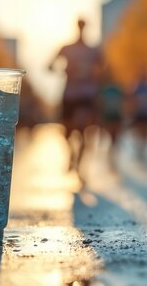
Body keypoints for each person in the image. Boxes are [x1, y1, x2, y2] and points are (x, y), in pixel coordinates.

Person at [48, 18, 102, 183]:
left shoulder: (94, 50)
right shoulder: (66, 48)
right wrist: (64, 70)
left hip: (87, 94)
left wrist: (93, 73)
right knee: (67, 131)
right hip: (70, 93)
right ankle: (72, 153)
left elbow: (103, 69)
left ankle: (79, 166)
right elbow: (50, 65)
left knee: (86, 131)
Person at [97, 70, 124, 174]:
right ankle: (110, 156)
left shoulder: (115, 89)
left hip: (114, 115)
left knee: (114, 138)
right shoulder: (105, 89)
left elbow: (122, 102)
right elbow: (100, 104)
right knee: (112, 137)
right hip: (109, 115)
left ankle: (112, 157)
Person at [131, 71, 147, 162]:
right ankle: (140, 149)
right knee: (139, 132)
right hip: (139, 113)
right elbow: (133, 100)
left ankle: (143, 150)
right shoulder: (137, 87)